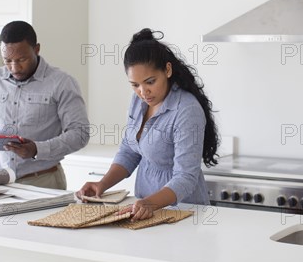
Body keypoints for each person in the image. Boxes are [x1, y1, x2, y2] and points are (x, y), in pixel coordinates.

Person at [78, 28, 219, 220]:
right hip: (144, 207)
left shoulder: (186, 110)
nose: (143, 92)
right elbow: (129, 150)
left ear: (167, 70)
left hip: (184, 211)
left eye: (150, 82)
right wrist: (102, 185)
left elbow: (186, 177)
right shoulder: (139, 101)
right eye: (135, 85)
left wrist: (150, 204)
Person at [0, 21, 90, 190]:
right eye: (7, 60)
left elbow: (80, 134)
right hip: (0, 182)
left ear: (37, 49)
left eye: (22, 59)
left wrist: (37, 150)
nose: (14, 67)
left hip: (44, 182)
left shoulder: (62, 82)